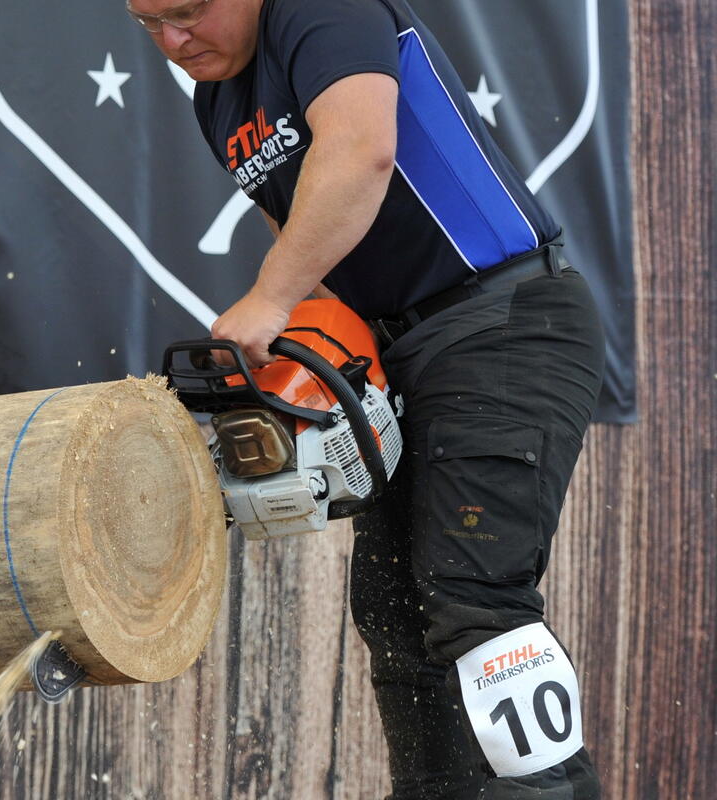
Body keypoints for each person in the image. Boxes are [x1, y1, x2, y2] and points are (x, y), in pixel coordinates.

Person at [126, 0, 606, 797]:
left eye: (187, 11)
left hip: (501, 323)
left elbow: (361, 152)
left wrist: (268, 300)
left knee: (473, 598)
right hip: (405, 347)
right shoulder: (220, 97)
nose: (172, 41)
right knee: (396, 616)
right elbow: (319, 241)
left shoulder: (321, 7)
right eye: (148, 24)